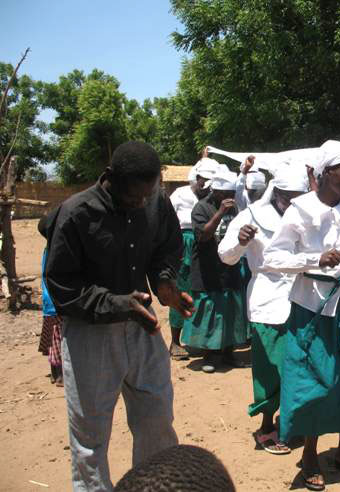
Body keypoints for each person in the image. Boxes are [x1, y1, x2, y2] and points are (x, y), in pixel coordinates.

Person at [45, 141, 194, 491]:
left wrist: (164, 282)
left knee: (156, 419)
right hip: (90, 335)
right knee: (91, 435)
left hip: (143, 327)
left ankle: (155, 486)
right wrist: (116, 303)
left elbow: (167, 246)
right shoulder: (76, 213)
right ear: (110, 178)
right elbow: (62, 285)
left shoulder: (155, 200)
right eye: (132, 199)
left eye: (147, 195)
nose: (141, 203)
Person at [262, 140, 340, 490]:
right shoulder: (299, 210)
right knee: (315, 380)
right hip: (311, 306)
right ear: (327, 173)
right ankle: (310, 455)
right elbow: (272, 259)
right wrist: (314, 260)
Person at [218, 166, 308, 455]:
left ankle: (291, 422)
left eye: (299, 197)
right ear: (277, 193)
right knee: (270, 365)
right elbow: (226, 256)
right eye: (288, 198)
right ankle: (267, 424)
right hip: (267, 298)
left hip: (301, 298)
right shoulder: (250, 216)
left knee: (297, 365)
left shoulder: (307, 215)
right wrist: (240, 241)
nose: (292, 203)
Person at [182, 171, 250, 372]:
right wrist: (219, 213)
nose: (230, 196)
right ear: (215, 191)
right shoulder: (201, 208)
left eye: (232, 192)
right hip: (207, 268)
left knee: (230, 309)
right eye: (225, 192)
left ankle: (228, 353)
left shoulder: (234, 208)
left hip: (229, 268)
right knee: (211, 311)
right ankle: (210, 355)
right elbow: (202, 236)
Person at [167, 160, 216, 360]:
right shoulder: (180, 194)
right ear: (197, 178)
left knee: (203, 291)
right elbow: (167, 219)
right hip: (183, 243)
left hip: (205, 243)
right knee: (181, 290)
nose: (206, 185)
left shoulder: (212, 197)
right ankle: (175, 342)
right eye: (204, 180)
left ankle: (201, 340)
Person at [37, 211, 64, 386]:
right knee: (59, 341)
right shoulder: (55, 251)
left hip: (50, 304)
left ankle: (56, 374)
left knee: (55, 341)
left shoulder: (48, 250)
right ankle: (60, 375)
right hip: (55, 304)